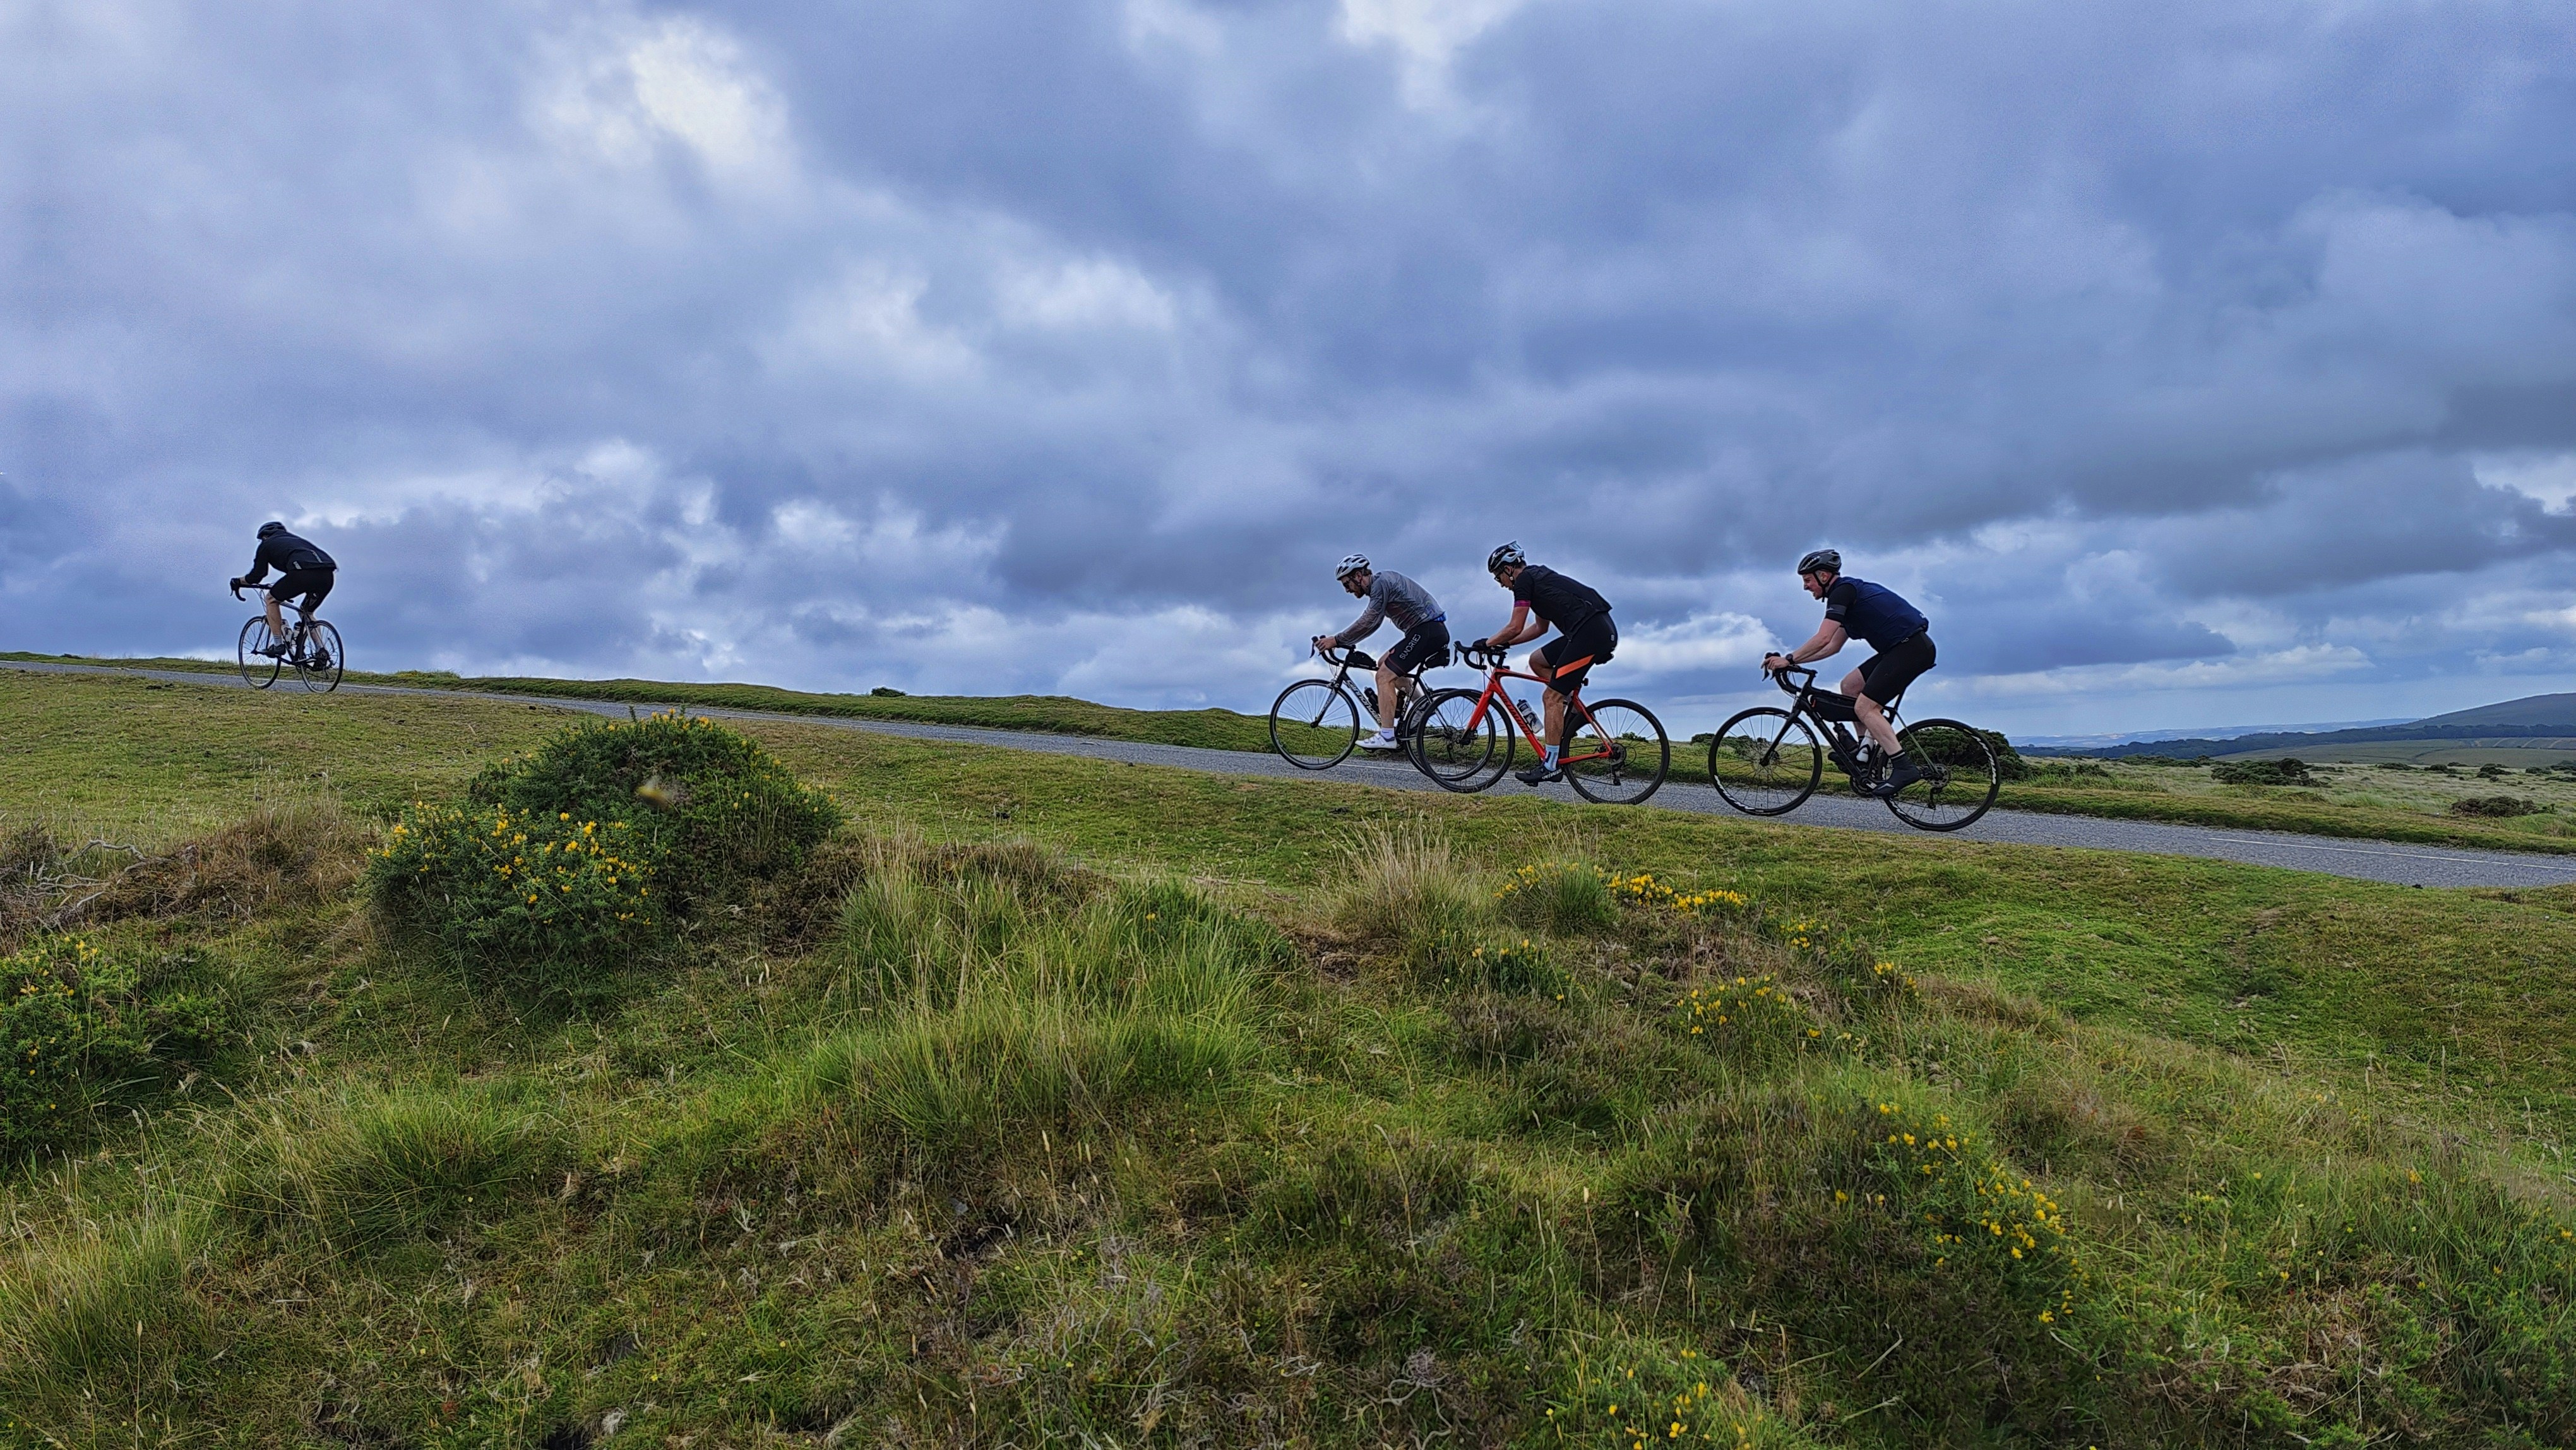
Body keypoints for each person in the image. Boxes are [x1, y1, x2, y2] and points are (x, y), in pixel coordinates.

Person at [1762, 548, 1935, 796]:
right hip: (1901, 649)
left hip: (1911, 649)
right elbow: (1832, 646)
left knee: (1865, 708)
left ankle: (1903, 767)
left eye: (1808, 580)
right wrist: (1789, 662)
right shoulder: (1846, 600)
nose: (1805, 587)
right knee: (1851, 687)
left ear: (1823, 575)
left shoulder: (1843, 591)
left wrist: (1789, 659)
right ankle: (1865, 752)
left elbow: (1822, 638)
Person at [1469, 542, 1615, 785]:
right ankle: (1574, 714)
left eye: (1498, 578)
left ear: (1508, 570)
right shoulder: (1537, 579)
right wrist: (1504, 644)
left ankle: (1550, 766)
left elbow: (1515, 626)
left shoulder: (1525, 581)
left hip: (1590, 634)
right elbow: (1540, 628)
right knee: (1537, 661)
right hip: (1592, 630)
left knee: (1551, 697)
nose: (1501, 584)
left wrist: (1488, 642)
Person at [1311, 553, 1450, 752]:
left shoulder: (1380, 584)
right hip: (1425, 631)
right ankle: (1422, 705)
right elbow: (1372, 625)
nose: (1347, 590)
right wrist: (1342, 641)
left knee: (1384, 677)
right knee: (1382, 663)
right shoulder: (1381, 585)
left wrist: (1337, 640)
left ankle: (1387, 736)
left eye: (1346, 584)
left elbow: (1370, 620)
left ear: (1359, 576)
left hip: (1426, 631)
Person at [230, 521, 337, 657]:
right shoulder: (297, 541)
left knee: (271, 599)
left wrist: (238, 582)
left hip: (302, 573)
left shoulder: (266, 545)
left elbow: (257, 576)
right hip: (327, 575)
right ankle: (321, 651)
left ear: (264, 537)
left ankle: (278, 645)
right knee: (307, 611)